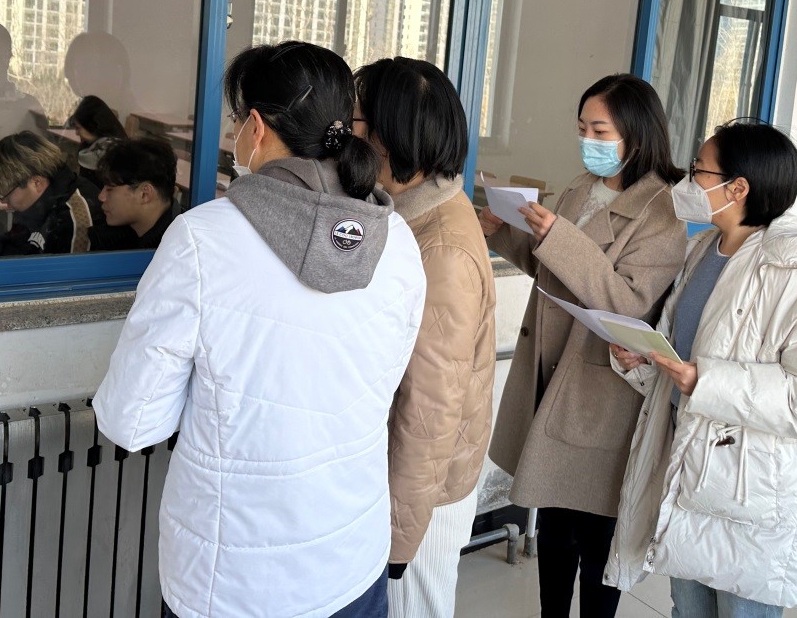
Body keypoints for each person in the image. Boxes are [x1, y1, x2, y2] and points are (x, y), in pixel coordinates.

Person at [93, 41, 427, 618]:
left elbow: (133, 421)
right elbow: (386, 380)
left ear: (255, 126)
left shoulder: (202, 240)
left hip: (235, 582)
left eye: (235, 122)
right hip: (353, 561)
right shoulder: (395, 239)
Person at [605, 121, 797, 618]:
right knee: (689, 609)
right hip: (690, 468)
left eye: (699, 171)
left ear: (738, 188)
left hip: (752, 494)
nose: (687, 181)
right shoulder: (704, 251)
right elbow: (685, 356)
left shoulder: (796, 274)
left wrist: (708, 382)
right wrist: (644, 361)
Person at [479, 74, 686, 618]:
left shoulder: (661, 212)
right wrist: (505, 231)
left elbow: (627, 301)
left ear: (636, 134)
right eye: (581, 129)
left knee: (595, 538)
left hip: (601, 388)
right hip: (552, 371)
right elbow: (554, 271)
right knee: (553, 528)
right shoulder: (580, 189)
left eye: (599, 131)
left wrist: (558, 237)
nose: (587, 141)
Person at [352, 57, 496, 618]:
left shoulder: (442, 248)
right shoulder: (409, 214)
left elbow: (429, 413)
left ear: (389, 138)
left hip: (420, 497)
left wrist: (398, 540)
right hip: (403, 481)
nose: (348, 134)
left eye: (358, 122)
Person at [0, 131, 105, 259]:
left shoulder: (74, 218)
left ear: (36, 183)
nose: (5, 203)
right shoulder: (38, 202)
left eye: (5, 195)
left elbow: (65, 284)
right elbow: (17, 242)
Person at [89, 137, 177, 251]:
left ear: (144, 194)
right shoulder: (111, 236)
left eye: (110, 189)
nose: (101, 197)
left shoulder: (181, 251)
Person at [64, 31, 135, 123]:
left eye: (90, 65)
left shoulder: (138, 122)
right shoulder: (79, 119)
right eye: (77, 67)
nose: (80, 75)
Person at [69, 94, 128, 186]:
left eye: (78, 128)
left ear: (92, 126)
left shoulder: (113, 153)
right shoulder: (92, 145)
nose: (76, 133)